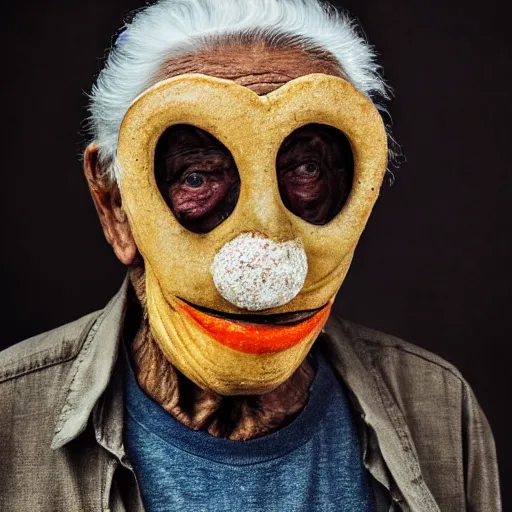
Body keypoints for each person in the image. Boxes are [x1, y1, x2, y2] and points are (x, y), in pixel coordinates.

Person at [0, 0, 501, 510]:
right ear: (115, 205)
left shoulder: (441, 407)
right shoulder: (8, 415)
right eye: (196, 176)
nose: (267, 271)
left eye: (306, 170)